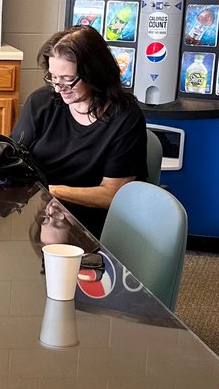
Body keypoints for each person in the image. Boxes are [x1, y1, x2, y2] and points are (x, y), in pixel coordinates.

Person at [11, 25, 147, 236]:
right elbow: (14, 161)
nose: (58, 88)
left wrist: (49, 191)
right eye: (53, 78)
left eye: (67, 80)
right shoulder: (42, 102)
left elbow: (112, 195)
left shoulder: (125, 118)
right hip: (39, 215)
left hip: (90, 224)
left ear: (94, 73)